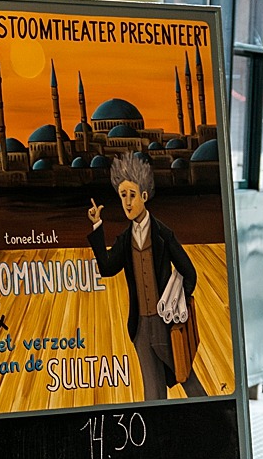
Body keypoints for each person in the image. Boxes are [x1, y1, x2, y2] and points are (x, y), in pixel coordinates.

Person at [86, 154, 206, 401]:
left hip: (165, 325)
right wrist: (98, 226)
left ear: (143, 196)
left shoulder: (163, 234)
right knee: (152, 393)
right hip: (140, 326)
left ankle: (212, 415)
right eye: (122, 196)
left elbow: (189, 273)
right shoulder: (125, 239)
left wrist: (178, 307)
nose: (127, 202)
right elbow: (107, 268)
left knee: (185, 376)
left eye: (131, 195)